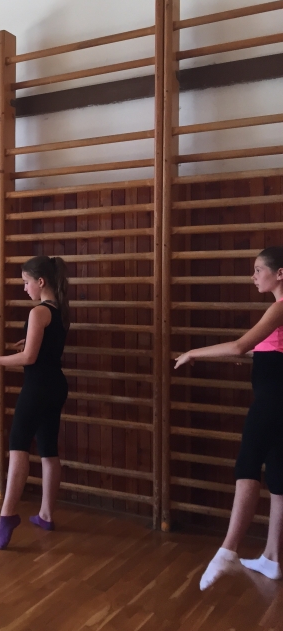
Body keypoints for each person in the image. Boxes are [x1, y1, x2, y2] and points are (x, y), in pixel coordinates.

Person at [175, 246, 283, 589]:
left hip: (273, 401)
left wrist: (193, 352)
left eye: (258, 270)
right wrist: (240, 354)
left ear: (280, 273)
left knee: (247, 463)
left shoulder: (280, 307)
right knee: (278, 474)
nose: (253, 276)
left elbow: (239, 346)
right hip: (277, 400)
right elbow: (261, 349)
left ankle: (228, 550)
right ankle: (272, 557)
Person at [0, 255, 70, 549]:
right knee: (48, 449)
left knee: (18, 446)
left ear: (40, 282)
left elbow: (29, 358)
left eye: (26, 282)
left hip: (38, 387)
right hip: (56, 386)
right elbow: (47, 347)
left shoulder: (38, 312)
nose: (24, 288)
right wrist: (29, 342)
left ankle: (8, 514)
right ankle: (45, 514)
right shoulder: (60, 310)